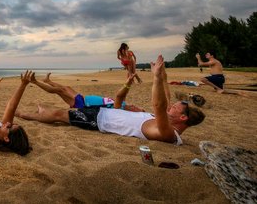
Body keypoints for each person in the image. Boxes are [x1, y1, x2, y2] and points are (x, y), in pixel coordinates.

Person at [16, 56, 205, 145]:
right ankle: (40, 110)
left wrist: (155, 78)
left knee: (59, 115)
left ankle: (27, 115)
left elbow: (160, 103)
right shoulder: (162, 120)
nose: (170, 108)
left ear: (182, 119)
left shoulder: (167, 133)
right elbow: (165, 100)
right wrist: (162, 77)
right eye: (171, 107)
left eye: (174, 109)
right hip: (104, 113)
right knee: (60, 103)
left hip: (100, 120)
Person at [32, 72, 144, 112]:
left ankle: (35, 81)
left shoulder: (121, 109)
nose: (135, 106)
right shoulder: (124, 105)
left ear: (134, 112)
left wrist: (128, 83)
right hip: (84, 99)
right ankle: (48, 81)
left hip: (83, 104)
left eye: (138, 109)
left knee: (60, 90)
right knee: (66, 87)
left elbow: (119, 96)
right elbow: (122, 95)